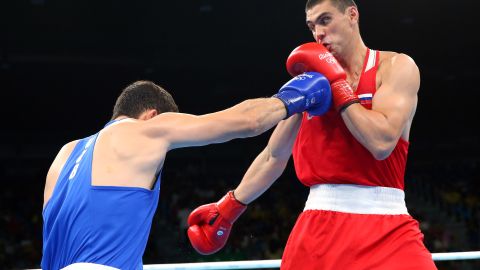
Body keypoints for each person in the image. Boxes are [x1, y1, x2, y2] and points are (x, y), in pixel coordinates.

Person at [187, 0, 438, 269]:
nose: (318, 33)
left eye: (325, 20)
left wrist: (337, 84)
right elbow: (274, 156)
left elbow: (381, 142)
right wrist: (230, 207)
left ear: (352, 15)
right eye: (312, 26)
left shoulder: (394, 67)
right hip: (319, 228)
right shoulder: (309, 84)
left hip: (387, 226)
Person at [41, 74, 332, 270]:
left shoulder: (65, 153)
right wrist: (293, 98)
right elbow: (247, 122)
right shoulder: (147, 130)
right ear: (153, 115)